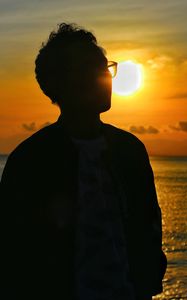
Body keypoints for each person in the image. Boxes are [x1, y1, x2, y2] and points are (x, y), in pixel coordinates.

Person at [0, 23, 167, 300]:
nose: (105, 77)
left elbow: (148, 228)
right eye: (91, 69)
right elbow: (14, 254)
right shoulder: (31, 161)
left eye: (106, 68)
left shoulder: (130, 151)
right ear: (59, 83)